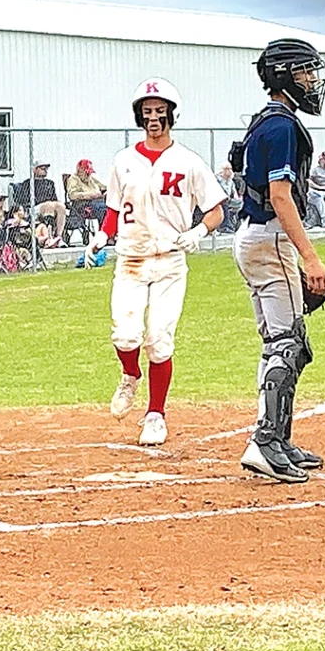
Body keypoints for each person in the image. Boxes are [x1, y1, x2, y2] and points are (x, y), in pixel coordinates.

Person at [84, 77, 226, 446]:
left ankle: (155, 414)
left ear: (171, 116)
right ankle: (130, 375)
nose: (153, 118)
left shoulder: (188, 161)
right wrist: (102, 235)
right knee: (125, 334)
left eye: (160, 112)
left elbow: (216, 210)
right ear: (138, 116)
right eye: (147, 112)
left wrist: (198, 232)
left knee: (159, 340)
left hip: (169, 261)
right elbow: (115, 209)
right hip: (130, 260)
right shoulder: (124, 161)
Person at [229, 38, 325, 484]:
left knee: (282, 342)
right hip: (269, 237)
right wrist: (310, 257)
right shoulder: (282, 126)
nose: (312, 81)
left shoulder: (265, 122)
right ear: (286, 76)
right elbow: (279, 195)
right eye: (305, 73)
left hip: (254, 236)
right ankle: (266, 442)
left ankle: (278, 438)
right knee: (288, 344)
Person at [14, 161, 68, 240]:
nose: (45, 170)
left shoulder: (50, 183)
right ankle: (49, 236)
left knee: (61, 206)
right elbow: (24, 201)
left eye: (46, 168)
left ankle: (59, 237)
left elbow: (54, 198)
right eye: (42, 168)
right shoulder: (28, 183)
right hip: (34, 209)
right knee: (49, 205)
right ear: (35, 170)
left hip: (50, 207)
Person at [66, 159, 108, 224]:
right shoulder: (73, 179)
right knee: (103, 209)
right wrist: (90, 195)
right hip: (83, 205)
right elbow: (72, 195)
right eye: (87, 172)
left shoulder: (90, 178)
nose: (88, 174)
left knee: (111, 207)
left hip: (96, 202)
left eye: (89, 172)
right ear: (80, 170)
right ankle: (104, 232)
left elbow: (103, 187)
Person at [215, 161, 241, 233]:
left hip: (229, 200)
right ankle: (225, 226)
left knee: (241, 204)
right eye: (227, 169)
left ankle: (238, 226)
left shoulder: (231, 181)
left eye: (230, 169)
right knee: (224, 204)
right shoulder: (217, 179)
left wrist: (238, 199)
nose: (230, 171)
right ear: (223, 170)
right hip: (220, 201)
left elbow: (234, 193)